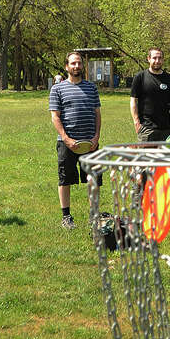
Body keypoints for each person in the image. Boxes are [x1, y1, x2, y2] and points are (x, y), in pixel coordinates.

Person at [49, 50, 101, 230]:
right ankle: (66, 216)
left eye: (79, 63)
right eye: (73, 63)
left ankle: (94, 216)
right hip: (67, 143)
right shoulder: (57, 89)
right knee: (65, 179)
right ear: (67, 66)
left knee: (93, 179)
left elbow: (97, 113)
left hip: (90, 143)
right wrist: (66, 138)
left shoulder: (91, 87)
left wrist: (96, 137)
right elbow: (55, 117)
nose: (76, 66)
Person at [130, 47, 170, 143]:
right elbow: (133, 101)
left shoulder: (169, 79)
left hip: (165, 129)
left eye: (160, 58)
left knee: (164, 158)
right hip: (146, 128)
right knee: (146, 157)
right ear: (148, 59)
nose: (157, 61)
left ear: (163, 60)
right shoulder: (140, 77)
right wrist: (136, 121)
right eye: (154, 58)